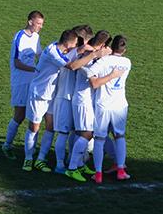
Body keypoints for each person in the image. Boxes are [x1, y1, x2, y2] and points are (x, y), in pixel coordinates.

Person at [22, 29, 106, 172]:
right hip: (40, 93)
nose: (76, 46)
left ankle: (41, 159)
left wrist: (86, 50)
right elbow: (72, 66)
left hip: (53, 94)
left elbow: (77, 52)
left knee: (50, 127)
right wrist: (94, 54)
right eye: (75, 43)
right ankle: (28, 158)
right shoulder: (53, 52)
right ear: (69, 43)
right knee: (34, 127)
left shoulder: (62, 47)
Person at [88, 35, 132, 183]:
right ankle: (120, 170)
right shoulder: (127, 62)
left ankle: (98, 174)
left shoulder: (104, 61)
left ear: (111, 47)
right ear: (124, 49)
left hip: (103, 105)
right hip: (120, 105)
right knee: (119, 136)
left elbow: (90, 75)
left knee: (99, 139)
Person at [52, 25, 94, 173]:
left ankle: (75, 162)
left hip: (73, 97)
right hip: (64, 96)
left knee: (76, 132)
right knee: (63, 133)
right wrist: (93, 54)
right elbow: (74, 66)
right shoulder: (70, 53)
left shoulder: (76, 51)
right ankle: (59, 165)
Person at [2, 11, 44, 159]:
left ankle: (31, 149)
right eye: (38, 23)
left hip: (33, 81)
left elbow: (40, 55)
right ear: (30, 21)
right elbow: (17, 63)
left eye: (41, 24)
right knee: (19, 115)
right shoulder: (19, 37)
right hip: (20, 82)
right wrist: (36, 69)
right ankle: (7, 145)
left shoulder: (36, 37)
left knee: (35, 116)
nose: (40, 27)